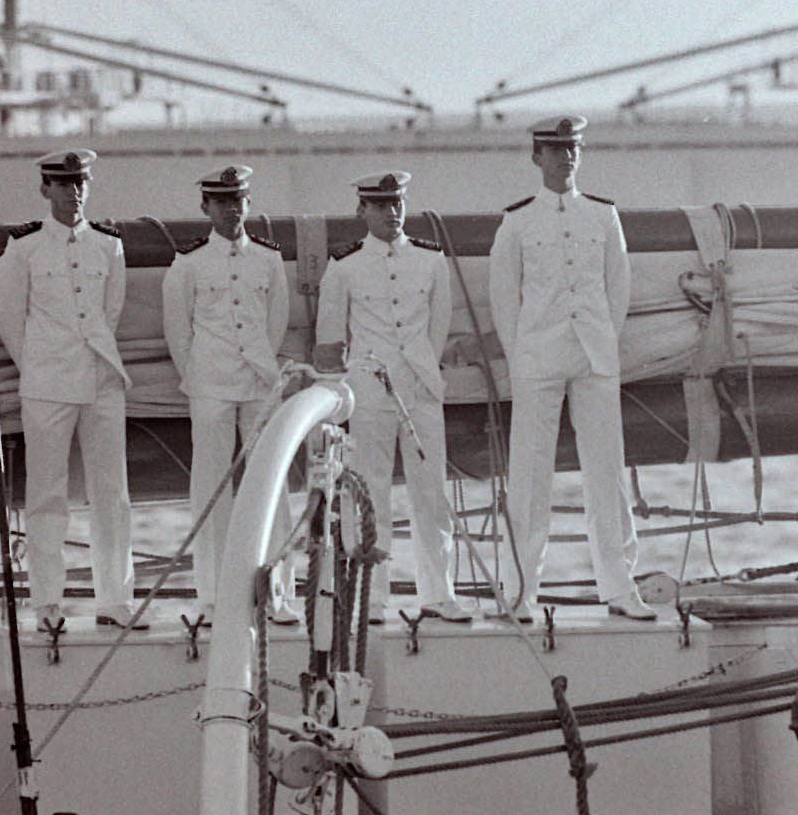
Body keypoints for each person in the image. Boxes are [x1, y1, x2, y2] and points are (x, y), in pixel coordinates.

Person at [487, 117, 653, 621]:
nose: (566, 158)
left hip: (593, 354)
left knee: (607, 471)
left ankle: (620, 586)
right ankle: (521, 592)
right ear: (537, 157)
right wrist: (522, 356)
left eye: (573, 149)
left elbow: (616, 288)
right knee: (531, 477)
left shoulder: (603, 217)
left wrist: (602, 338)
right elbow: (503, 297)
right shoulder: (517, 222)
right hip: (538, 356)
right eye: (556, 150)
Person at [0, 149, 141, 631]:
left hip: (101, 378)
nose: (74, 191)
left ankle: (115, 600)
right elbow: (11, 321)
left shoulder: (108, 246)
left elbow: (110, 313)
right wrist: (39, 366)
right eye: (64, 183)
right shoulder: (24, 248)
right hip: (47, 383)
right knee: (46, 497)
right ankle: (47, 604)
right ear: (45, 190)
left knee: (112, 494)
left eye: (80, 183)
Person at [314, 171, 468, 624]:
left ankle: (438, 594)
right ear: (363, 210)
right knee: (369, 495)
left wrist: (419, 365)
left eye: (398, 203)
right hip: (369, 389)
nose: (392, 212)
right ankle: (372, 598)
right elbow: (328, 339)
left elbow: (437, 327)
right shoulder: (344, 266)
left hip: (419, 387)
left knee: (431, 495)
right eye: (381, 205)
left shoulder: (431, 261)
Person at [161, 165, 300, 627]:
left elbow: (275, 320)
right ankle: (215, 594)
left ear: (248, 202)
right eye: (222, 201)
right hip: (211, 385)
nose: (232, 209)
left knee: (271, 484)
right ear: (206, 207)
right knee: (211, 488)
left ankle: (278, 592)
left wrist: (257, 360)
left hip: (260, 382)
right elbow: (179, 332)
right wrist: (201, 375)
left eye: (238, 199)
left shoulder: (268, 260)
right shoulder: (189, 263)